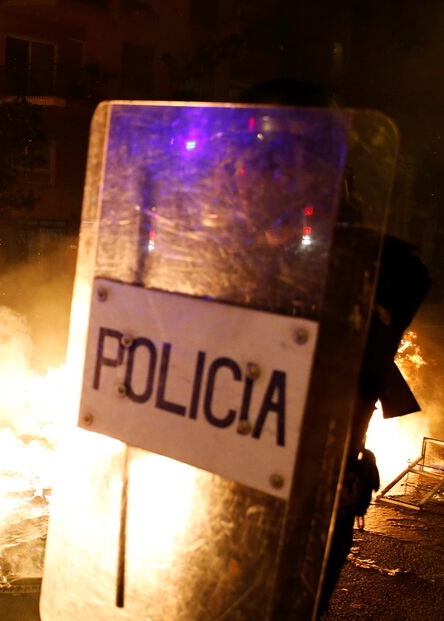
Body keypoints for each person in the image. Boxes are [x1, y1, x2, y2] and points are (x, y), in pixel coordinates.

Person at [240, 79, 432, 616]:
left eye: (279, 159)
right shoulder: (219, 259)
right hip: (214, 492)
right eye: (247, 157)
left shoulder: (375, 269)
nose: (250, 175)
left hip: (307, 507)